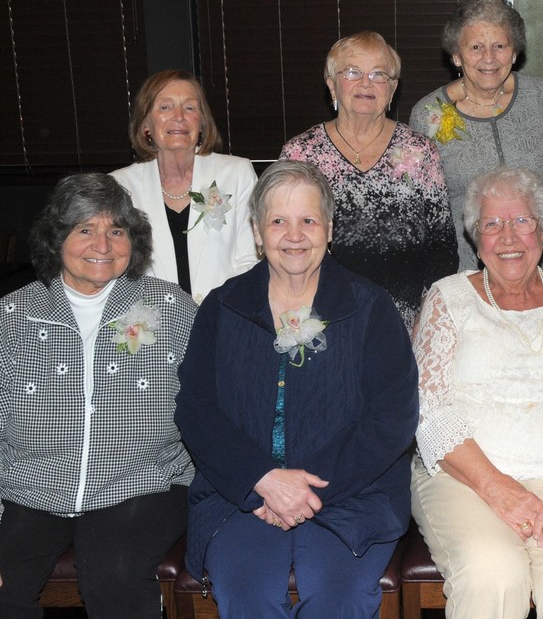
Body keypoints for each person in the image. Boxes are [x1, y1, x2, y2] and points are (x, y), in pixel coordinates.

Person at [174, 160, 418, 618]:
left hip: (353, 493)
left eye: (308, 220)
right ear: (256, 231)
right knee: (248, 595)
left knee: (336, 599)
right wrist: (262, 479)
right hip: (240, 494)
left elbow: (393, 418)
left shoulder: (370, 307)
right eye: (278, 222)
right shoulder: (223, 307)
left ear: (329, 228)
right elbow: (196, 409)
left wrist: (302, 490)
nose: (294, 236)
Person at [410, 167, 543, 618]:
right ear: (476, 239)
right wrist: (498, 489)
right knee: (493, 572)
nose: (507, 236)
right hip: (467, 483)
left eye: (522, 221)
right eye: (492, 223)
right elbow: (430, 410)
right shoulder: (447, 298)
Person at [0, 173, 197, 618]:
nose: (102, 245)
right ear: (56, 239)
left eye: (117, 231)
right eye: (85, 229)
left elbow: (208, 404)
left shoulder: (170, 307)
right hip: (33, 484)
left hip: (143, 480)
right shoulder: (14, 315)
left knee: (114, 575)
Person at [280, 31, 456, 331]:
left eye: (378, 74)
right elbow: (284, 241)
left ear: (392, 88)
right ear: (331, 84)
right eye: (352, 72)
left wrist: (428, 315)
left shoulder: (420, 151)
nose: (366, 83)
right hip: (320, 319)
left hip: (406, 321)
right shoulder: (301, 154)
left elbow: (442, 246)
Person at [410, 0, 543, 277]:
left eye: (499, 46)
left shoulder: (541, 97)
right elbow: (423, 211)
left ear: (514, 52)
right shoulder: (428, 114)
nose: (489, 58)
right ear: (456, 56)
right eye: (476, 47)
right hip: (469, 271)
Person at [112, 69, 257, 304]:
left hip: (225, 313)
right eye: (165, 107)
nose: (179, 116)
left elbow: (251, 261)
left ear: (202, 122)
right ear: (146, 124)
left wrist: (216, 313)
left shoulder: (236, 173)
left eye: (189, 108)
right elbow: (116, 269)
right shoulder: (120, 186)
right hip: (152, 319)